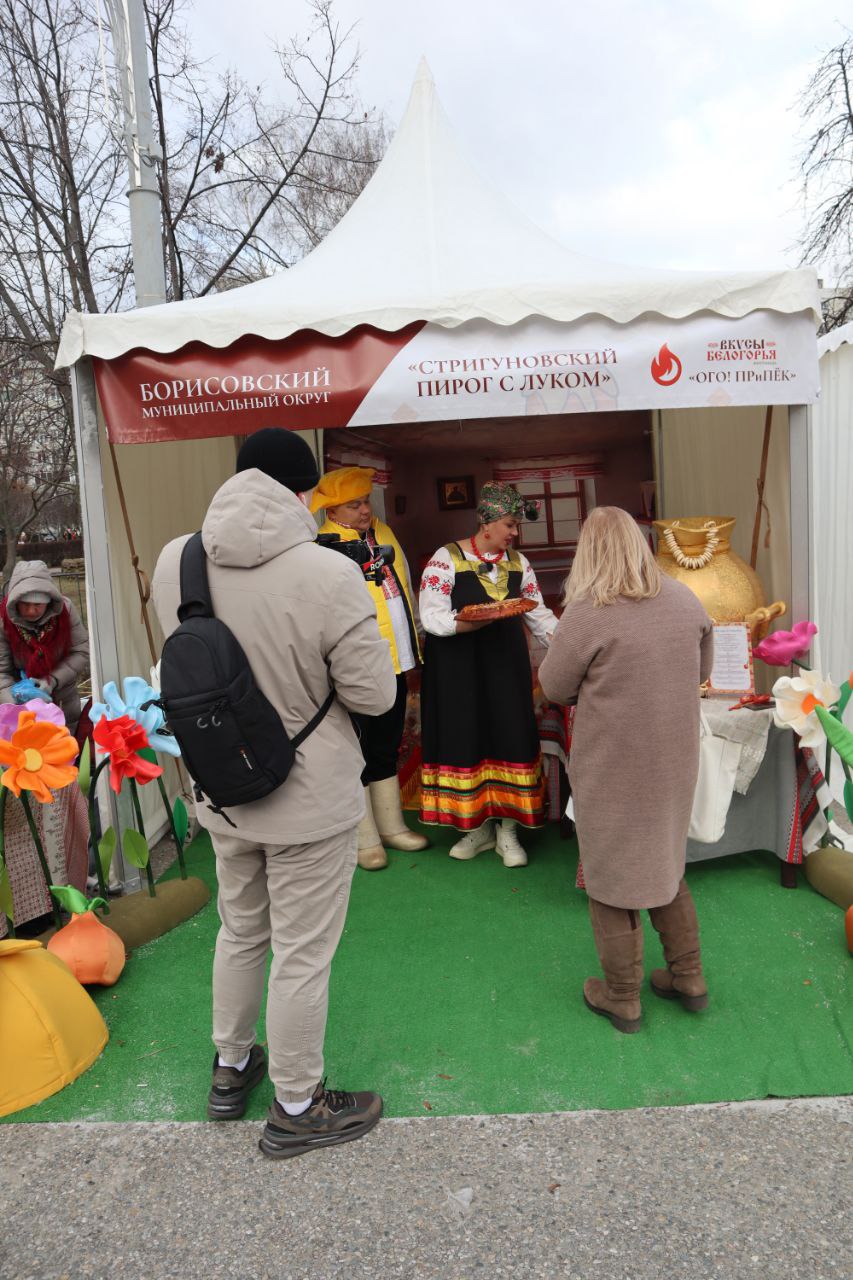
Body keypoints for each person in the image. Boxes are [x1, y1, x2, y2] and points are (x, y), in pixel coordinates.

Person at [152, 428, 397, 1159]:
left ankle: (230, 1068)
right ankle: (297, 1103)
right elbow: (375, 696)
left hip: (220, 787)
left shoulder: (177, 559)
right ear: (303, 493)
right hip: (307, 795)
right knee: (301, 953)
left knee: (240, 928)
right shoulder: (327, 572)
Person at [538, 506, 714, 1034]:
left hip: (614, 765)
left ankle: (622, 997)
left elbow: (553, 687)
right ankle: (690, 978)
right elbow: (701, 672)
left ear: (588, 550)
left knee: (611, 879)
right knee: (667, 863)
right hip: (675, 759)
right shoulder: (684, 597)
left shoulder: (591, 610)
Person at [418, 481, 557, 868]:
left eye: (515, 526)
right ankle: (475, 828)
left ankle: (507, 831)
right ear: (487, 523)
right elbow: (430, 616)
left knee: (509, 734)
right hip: (456, 668)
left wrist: (569, 642)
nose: (515, 533)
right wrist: (474, 622)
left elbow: (538, 612)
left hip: (506, 664)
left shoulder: (519, 563)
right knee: (465, 736)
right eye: (510, 525)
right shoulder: (445, 559)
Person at [311, 467, 428, 870]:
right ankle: (365, 839)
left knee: (387, 740)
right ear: (333, 509)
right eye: (355, 504)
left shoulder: (382, 532)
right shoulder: (324, 547)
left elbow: (403, 584)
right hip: (356, 666)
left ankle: (392, 826)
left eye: (367, 501)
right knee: (358, 746)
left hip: (394, 659)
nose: (365, 509)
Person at [0, 559, 89, 732]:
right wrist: (15, 703)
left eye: (38, 605)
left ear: (49, 602)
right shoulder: (4, 621)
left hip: (64, 700)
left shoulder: (66, 611)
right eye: (26, 605)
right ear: (15, 602)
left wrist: (52, 680)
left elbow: (81, 652)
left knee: (65, 751)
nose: (32, 611)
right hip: (21, 710)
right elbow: (1, 671)